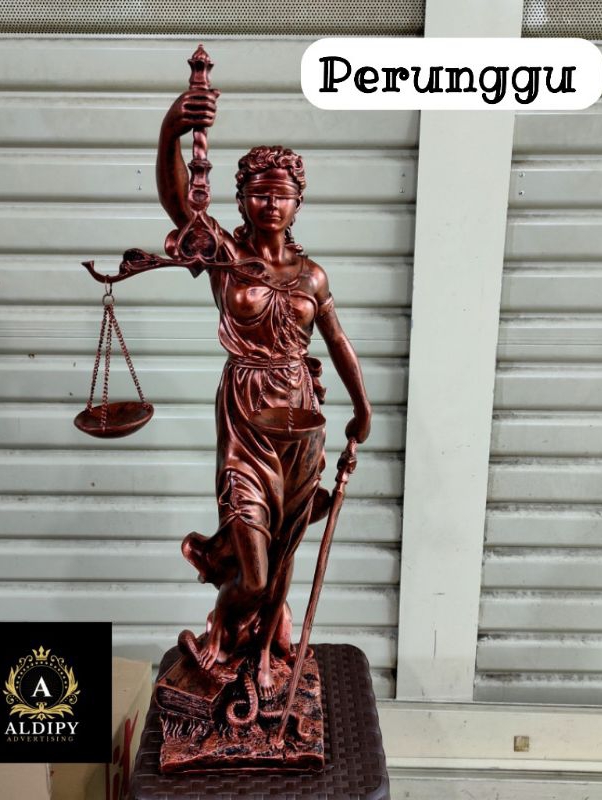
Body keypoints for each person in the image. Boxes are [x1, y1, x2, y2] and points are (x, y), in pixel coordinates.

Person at [157, 87, 371, 698]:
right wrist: (172, 129)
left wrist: (362, 407)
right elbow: (179, 201)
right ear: (241, 198)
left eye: (281, 194)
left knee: (286, 543)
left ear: (298, 201)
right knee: (252, 561)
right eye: (258, 193)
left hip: (301, 416)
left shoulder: (312, 275)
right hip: (246, 414)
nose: (270, 204)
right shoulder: (225, 256)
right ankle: (223, 631)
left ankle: (266, 650)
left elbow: (337, 341)